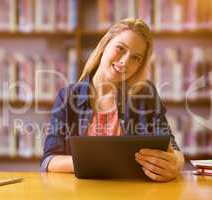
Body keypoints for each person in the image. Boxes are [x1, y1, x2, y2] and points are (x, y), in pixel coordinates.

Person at [40, 18, 185, 182]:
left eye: (136, 58)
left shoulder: (145, 94)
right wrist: (101, 161)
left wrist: (177, 164)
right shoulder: (67, 97)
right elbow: (48, 161)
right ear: (104, 46)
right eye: (121, 48)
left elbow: (172, 146)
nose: (125, 62)